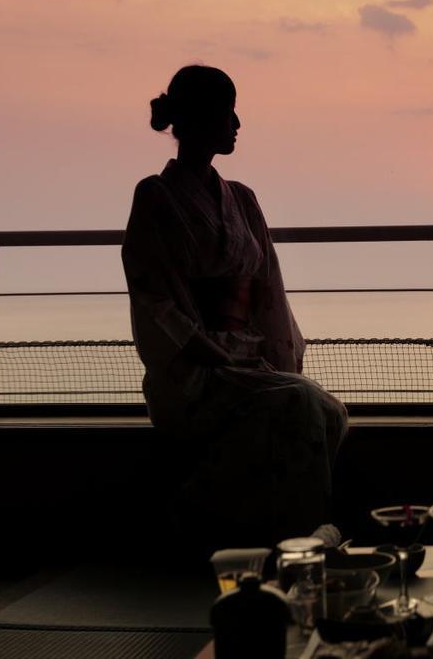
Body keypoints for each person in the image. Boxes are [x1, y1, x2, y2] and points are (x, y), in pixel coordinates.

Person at [121, 64, 347, 550]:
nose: (238, 124)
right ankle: (295, 543)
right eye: (228, 112)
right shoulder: (156, 196)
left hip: (246, 358)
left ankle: (268, 529)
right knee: (301, 403)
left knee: (331, 411)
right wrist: (207, 350)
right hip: (195, 369)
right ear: (203, 118)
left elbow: (268, 288)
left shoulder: (241, 199)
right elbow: (152, 295)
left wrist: (278, 358)